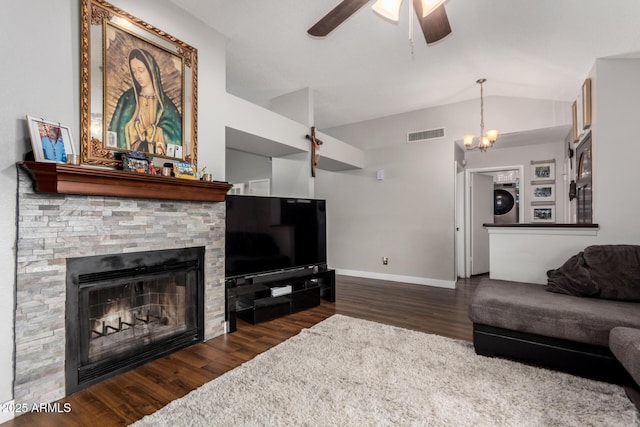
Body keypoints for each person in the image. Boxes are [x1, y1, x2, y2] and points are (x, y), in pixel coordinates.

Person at [108, 48, 182, 155]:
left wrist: (150, 129)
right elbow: (115, 133)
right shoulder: (126, 99)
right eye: (134, 71)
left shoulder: (167, 106)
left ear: (151, 70)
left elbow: (175, 139)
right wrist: (137, 128)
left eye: (141, 70)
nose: (137, 76)